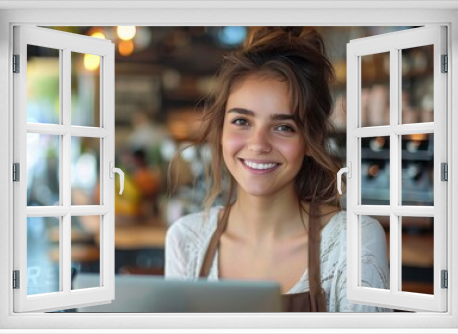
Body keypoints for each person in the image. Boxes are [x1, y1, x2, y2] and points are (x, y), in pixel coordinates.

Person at [164, 27, 389, 312]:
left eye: (283, 127)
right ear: (220, 130)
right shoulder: (186, 239)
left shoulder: (352, 242)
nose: (258, 144)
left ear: (311, 140)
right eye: (242, 122)